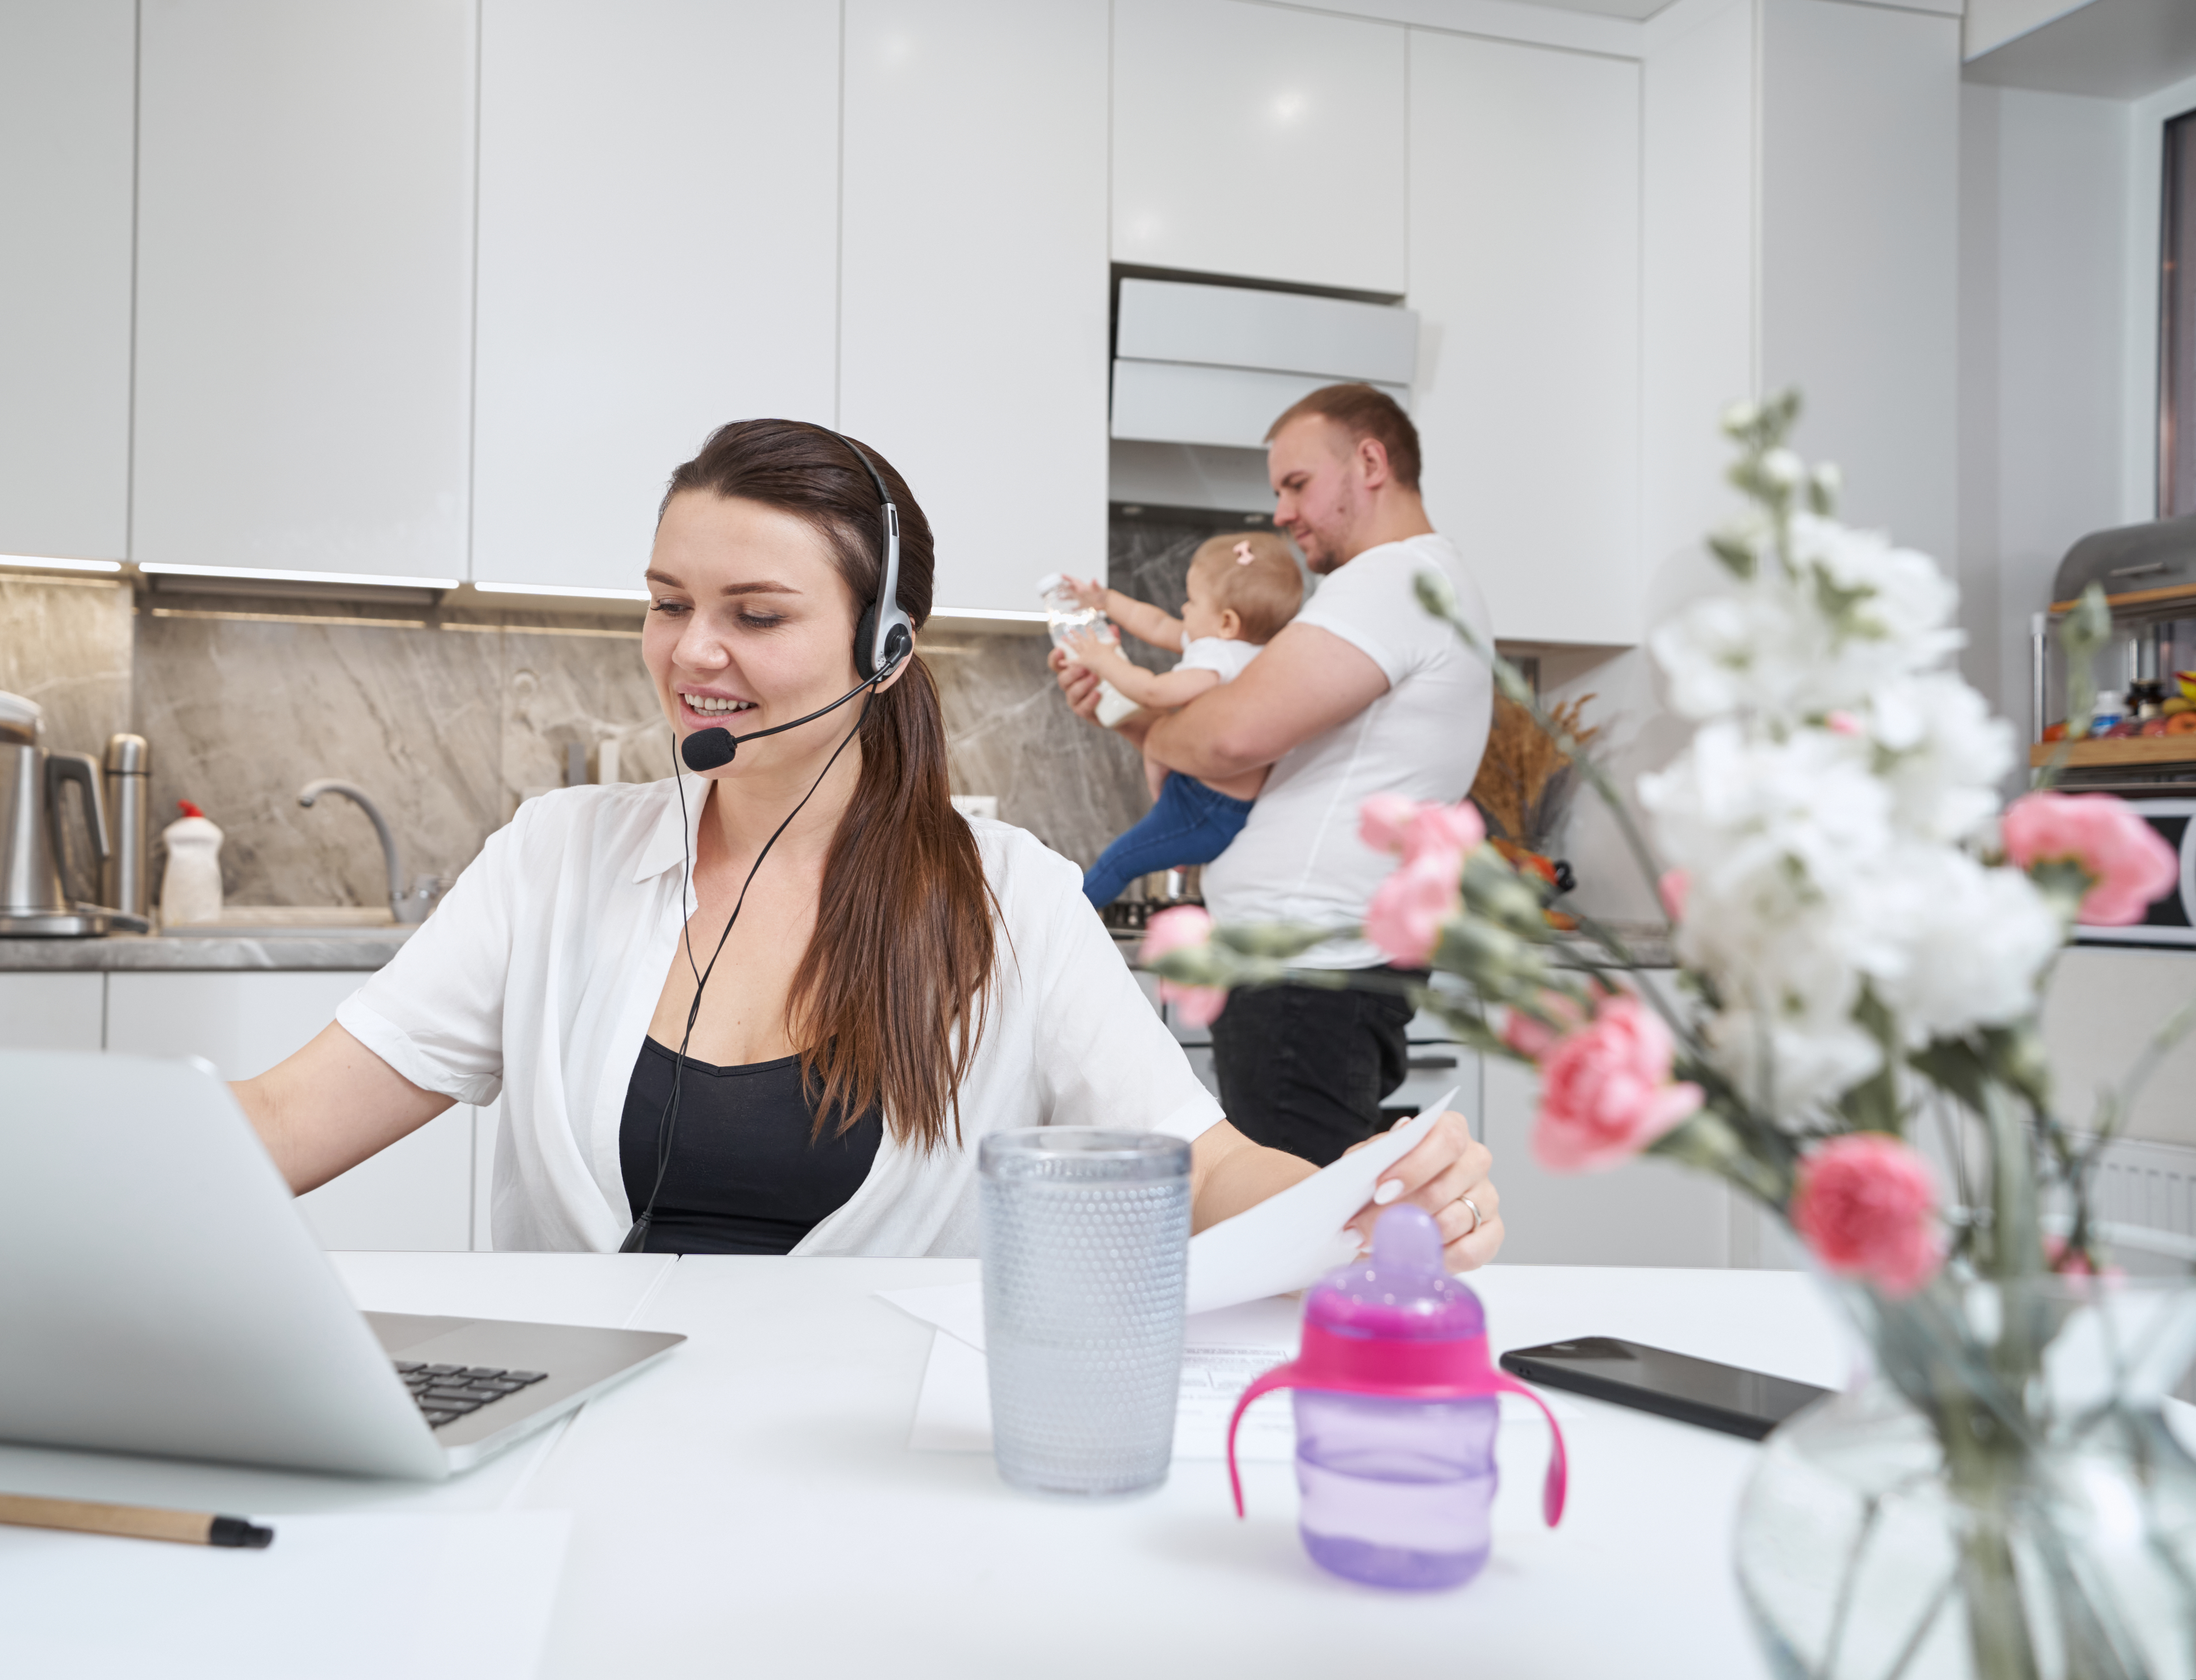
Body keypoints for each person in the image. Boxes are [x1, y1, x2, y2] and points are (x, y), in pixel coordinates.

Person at [233, 417, 1502, 1269]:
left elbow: (1204, 1167)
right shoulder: (550, 859)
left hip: (875, 1495)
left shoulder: (1009, 898)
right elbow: (288, 1117)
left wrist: (1367, 1203)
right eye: (668, 604)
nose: (691, 652)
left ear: (885, 647)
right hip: (579, 1468)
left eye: (756, 613)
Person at [1055, 385, 1496, 1168]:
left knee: (1286, 1221)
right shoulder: (1412, 582)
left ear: (1370, 462)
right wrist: (1126, 717)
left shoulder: (1393, 579)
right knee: (1299, 1206)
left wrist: (1136, 707)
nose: (1281, 513)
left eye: (1295, 484)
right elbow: (1240, 755)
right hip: (1313, 969)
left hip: (1305, 975)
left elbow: (1228, 740)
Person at [1055, 533, 1306, 910]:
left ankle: (1058, 928)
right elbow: (1154, 623)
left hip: (1208, 810)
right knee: (1133, 847)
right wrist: (1104, 601)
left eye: (1192, 600)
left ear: (1227, 622)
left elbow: (1155, 693)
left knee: (1120, 861)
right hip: (1194, 788)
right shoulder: (1222, 644)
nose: (1184, 609)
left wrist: (1104, 659)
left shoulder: (1223, 663)